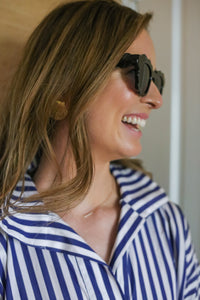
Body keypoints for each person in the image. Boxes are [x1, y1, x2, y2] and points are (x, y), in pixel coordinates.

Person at [0, 0, 199, 299]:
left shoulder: (167, 222)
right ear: (65, 83)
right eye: (140, 72)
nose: (156, 98)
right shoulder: (6, 241)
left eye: (157, 80)